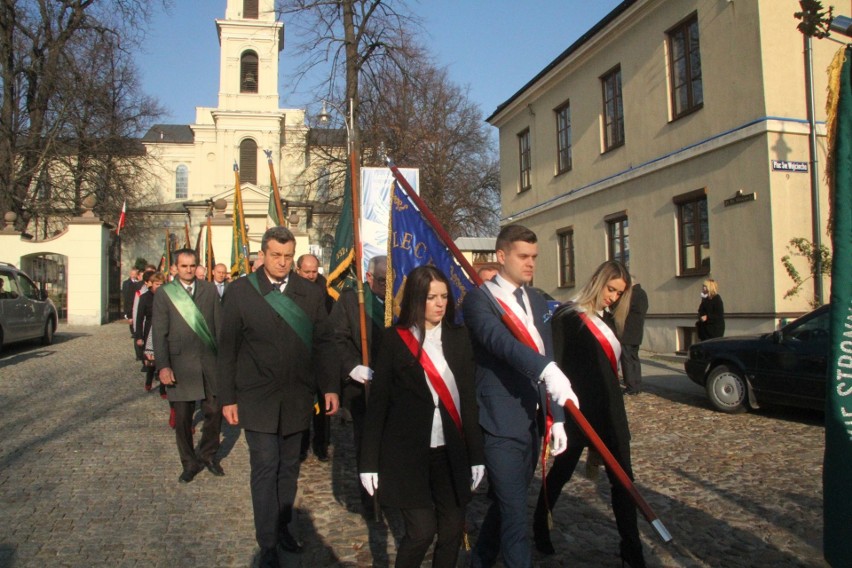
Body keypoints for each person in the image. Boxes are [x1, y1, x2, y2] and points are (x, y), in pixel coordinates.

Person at [218, 226, 339, 567]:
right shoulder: (241, 291)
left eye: (288, 256)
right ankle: (267, 543)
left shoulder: (310, 293)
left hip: (297, 397)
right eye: (276, 255)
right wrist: (227, 398)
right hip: (256, 399)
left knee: (288, 468)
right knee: (265, 466)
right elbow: (227, 349)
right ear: (263, 255)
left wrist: (329, 387)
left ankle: (283, 525)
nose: (282, 262)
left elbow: (324, 343)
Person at [463, 224, 577, 568]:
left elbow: (549, 354)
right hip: (499, 422)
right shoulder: (479, 300)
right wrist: (545, 370)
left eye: (534, 257)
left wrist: (557, 416)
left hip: (533, 421)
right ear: (501, 256)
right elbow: (502, 345)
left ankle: (480, 559)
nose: (531, 264)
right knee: (515, 518)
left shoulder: (538, 298)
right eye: (523, 256)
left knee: (507, 504)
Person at [360, 265, 485, 568]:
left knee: (453, 529)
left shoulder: (459, 337)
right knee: (421, 532)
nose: (441, 303)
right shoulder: (394, 339)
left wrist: (476, 455)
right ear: (416, 299)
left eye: (444, 296)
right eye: (432, 297)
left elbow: (468, 400)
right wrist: (368, 463)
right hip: (407, 453)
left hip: (450, 451)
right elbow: (378, 405)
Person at [532, 260, 647, 568]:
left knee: (624, 481)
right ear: (599, 282)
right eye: (611, 289)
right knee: (562, 471)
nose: (613, 297)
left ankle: (631, 549)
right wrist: (556, 413)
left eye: (619, 294)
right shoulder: (567, 316)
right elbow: (554, 368)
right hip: (578, 413)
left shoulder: (610, 323)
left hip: (611, 413)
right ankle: (540, 523)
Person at [152, 248, 223, 483]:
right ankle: (189, 462)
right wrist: (163, 366)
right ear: (176, 268)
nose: (189, 269)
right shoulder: (165, 293)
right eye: (184, 266)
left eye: (192, 265)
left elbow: (218, 325)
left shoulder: (209, 290)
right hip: (179, 364)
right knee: (183, 418)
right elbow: (159, 333)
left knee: (214, 411)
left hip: (208, 363)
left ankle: (208, 454)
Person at [329, 255, 387, 513]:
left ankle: (391, 493)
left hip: (394, 386)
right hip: (362, 386)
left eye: (391, 280)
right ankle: (370, 499)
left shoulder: (399, 301)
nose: (387, 285)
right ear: (369, 277)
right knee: (367, 443)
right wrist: (353, 366)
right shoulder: (352, 301)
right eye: (382, 280)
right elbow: (337, 338)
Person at [296, 253, 333, 462]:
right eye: (306, 272)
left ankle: (321, 444)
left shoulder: (326, 289)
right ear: (298, 270)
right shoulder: (291, 290)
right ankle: (300, 446)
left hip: (319, 353)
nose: (311, 275)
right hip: (299, 354)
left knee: (322, 405)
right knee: (301, 406)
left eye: (314, 271)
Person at [135, 272, 166, 395]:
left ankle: (163, 389)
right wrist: (139, 336)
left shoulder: (166, 296)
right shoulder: (145, 298)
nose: (159, 286)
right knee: (152, 361)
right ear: (151, 284)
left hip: (163, 330)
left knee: (163, 360)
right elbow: (139, 319)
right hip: (149, 331)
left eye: (162, 284)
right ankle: (149, 380)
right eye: (157, 284)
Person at [620, 275, 648, 395]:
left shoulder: (632, 294)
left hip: (628, 332)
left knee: (627, 360)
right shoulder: (642, 293)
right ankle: (637, 384)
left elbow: (623, 308)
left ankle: (631, 386)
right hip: (637, 331)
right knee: (634, 359)